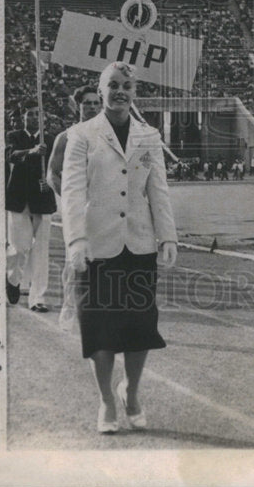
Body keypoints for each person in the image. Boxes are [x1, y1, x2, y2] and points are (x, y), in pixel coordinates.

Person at [62, 62, 178, 434]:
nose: (120, 92)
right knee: (99, 328)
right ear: (101, 88)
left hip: (139, 244)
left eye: (127, 86)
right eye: (113, 85)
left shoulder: (149, 136)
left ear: (135, 92)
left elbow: (157, 190)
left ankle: (132, 393)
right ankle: (107, 400)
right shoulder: (81, 135)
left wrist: (168, 236)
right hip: (97, 245)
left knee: (139, 327)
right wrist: (76, 241)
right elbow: (73, 190)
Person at [46, 85, 102, 332]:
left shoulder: (107, 136)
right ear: (76, 106)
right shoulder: (65, 137)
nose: (91, 107)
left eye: (96, 102)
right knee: (75, 260)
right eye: (86, 103)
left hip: (102, 207)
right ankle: (69, 308)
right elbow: (52, 174)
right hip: (76, 208)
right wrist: (71, 199)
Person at [5, 101, 57, 313]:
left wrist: (50, 181)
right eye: (30, 114)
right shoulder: (14, 135)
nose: (34, 118)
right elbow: (11, 155)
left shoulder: (51, 140)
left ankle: (38, 297)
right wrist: (32, 151)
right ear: (23, 117)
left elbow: (56, 167)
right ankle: (13, 279)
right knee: (20, 247)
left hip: (42, 198)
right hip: (18, 199)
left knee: (41, 251)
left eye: (38, 114)